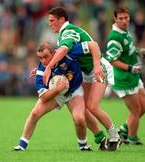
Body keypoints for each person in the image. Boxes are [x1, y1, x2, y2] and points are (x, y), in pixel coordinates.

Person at [43, 7, 121, 151]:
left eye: (52, 20)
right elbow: (62, 54)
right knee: (82, 108)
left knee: (92, 106)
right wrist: (42, 68)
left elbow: (93, 45)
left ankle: (115, 135)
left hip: (98, 68)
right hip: (85, 72)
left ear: (62, 20)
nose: (50, 24)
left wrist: (97, 65)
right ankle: (100, 138)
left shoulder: (68, 31)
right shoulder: (61, 34)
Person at [14, 42, 93, 151]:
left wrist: (97, 64)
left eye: (46, 57)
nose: (43, 61)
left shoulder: (68, 53)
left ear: (55, 53)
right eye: (40, 58)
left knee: (79, 119)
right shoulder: (41, 70)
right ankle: (22, 146)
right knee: (35, 113)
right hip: (55, 94)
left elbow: (92, 45)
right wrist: (57, 89)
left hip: (74, 91)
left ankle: (83, 146)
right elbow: (43, 97)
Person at [105, 7, 145, 145]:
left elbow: (126, 50)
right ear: (115, 19)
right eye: (121, 18)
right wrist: (130, 68)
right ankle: (131, 137)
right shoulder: (114, 37)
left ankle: (124, 129)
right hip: (123, 78)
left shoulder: (125, 32)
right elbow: (112, 60)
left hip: (132, 75)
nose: (124, 21)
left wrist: (137, 52)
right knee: (136, 111)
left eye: (126, 17)